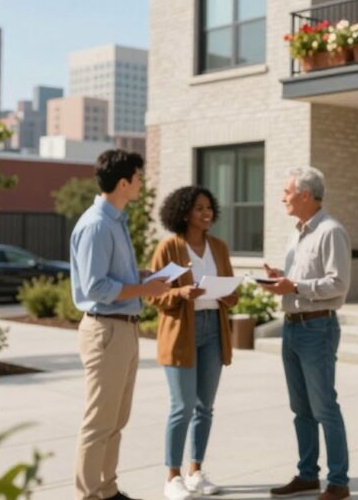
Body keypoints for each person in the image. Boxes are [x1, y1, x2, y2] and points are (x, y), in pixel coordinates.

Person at [71, 149, 172, 500]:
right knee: (99, 422)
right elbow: (95, 286)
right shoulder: (98, 225)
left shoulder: (116, 221)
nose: (143, 183)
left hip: (124, 328)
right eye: (139, 177)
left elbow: (113, 278)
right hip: (106, 330)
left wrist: (145, 277)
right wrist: (146, 288)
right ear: (124, 182)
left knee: (116, 421)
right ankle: (87, 494)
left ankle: (107, 490)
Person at [263, 167, 352, 500]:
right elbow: (299, 281)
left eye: (287, 191)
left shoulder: (331, 231)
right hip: (292, 326)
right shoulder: (297, 233)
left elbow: (339, 284)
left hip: (318, 328)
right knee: (300, 408)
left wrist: (295, 285)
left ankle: (339, 483)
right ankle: (307, 474)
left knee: (324, 407)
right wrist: (281, 280)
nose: (283, 197)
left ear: (304, 195)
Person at [149, 186, 239, 500]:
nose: (207, 213)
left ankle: (195, 471)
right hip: (181, 333)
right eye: (199, 208)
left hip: (214, 329)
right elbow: (152, 294)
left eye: (209, 208)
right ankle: (172, 476)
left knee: (205, 408)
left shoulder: (219, 246)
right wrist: (180, 293)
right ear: (184, 213)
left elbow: (233, 293)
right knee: (182, 407)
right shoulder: (169, 248)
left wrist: (229, 294)